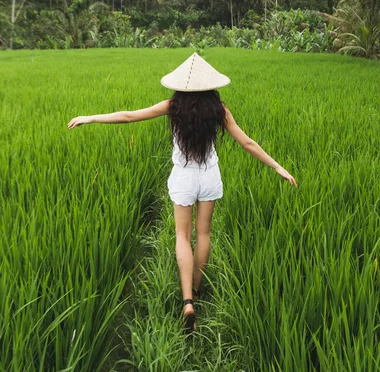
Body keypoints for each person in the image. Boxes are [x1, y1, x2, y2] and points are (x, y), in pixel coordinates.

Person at [67, 53, 297, 333]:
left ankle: (187, 300)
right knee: (203, 234)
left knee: (181, 236)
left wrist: (90, 117)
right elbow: (247, 143)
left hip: (184, 178)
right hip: (209, 177)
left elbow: (129, 116)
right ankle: (197, 292)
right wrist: (277, 166)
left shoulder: (173, 106)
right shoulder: (218, 109)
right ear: (210, 85)